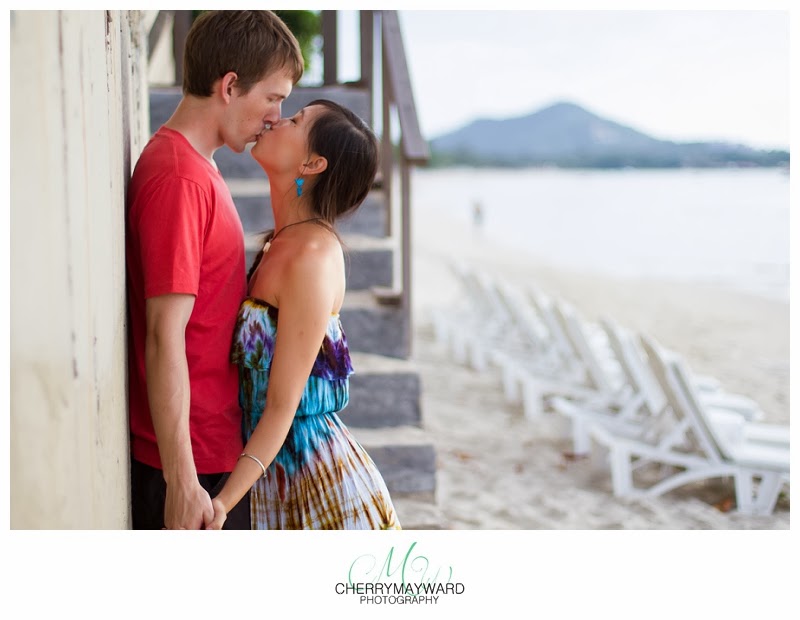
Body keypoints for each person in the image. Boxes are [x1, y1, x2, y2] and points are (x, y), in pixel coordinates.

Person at [125, 11, 304, 530]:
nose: (275, 116)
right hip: (188, 465)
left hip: (211, 454)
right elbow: (164, 335)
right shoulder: (181, 178)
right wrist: (181, 482)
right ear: (229, 85)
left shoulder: (199, 167)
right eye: (273, 98)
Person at [206, 100, 401, 530]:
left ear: (313, 164)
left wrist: (221, 502)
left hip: (314, 484)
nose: (277, 119)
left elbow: (281, 408)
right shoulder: (284, 241)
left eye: (295, 121)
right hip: (272, 471)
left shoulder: (311, 259)